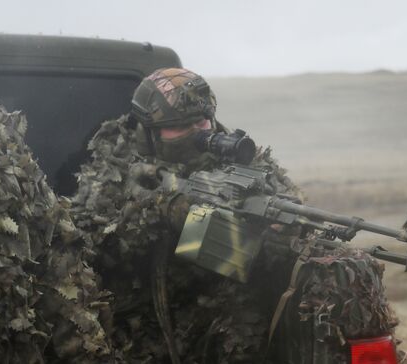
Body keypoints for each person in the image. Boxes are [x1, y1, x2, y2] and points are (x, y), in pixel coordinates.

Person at [72, 68, 302, 363]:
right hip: (140, 323)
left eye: (202, 121)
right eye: (182, 126)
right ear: (149, 133)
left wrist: (277, 236)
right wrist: (162, 211)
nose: (199, 133)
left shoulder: (239, 157)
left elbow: (284, 214)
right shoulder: (113, 163)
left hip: (221, 317)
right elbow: (92, 247)